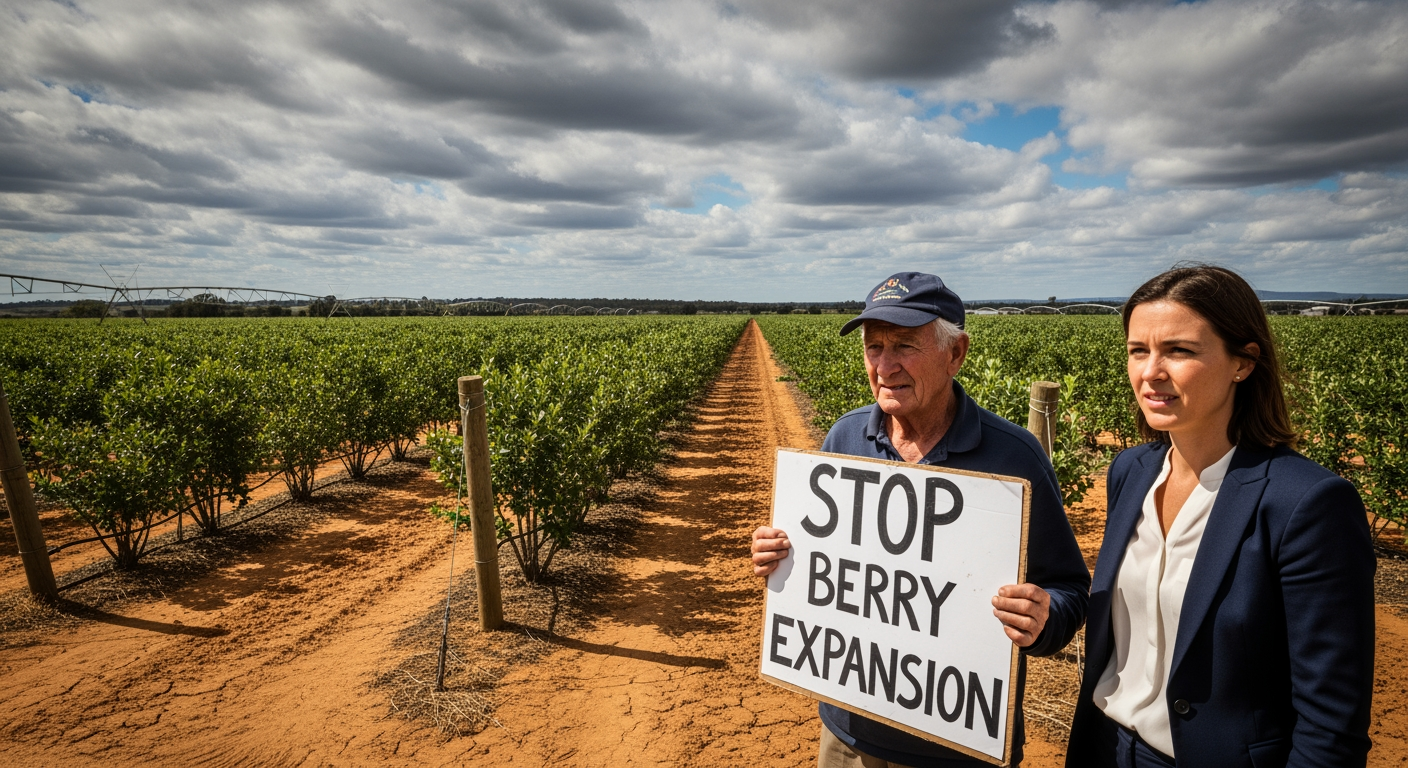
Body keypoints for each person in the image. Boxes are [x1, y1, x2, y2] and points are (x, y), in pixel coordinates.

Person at [751, 272, 1090, 768]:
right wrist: (782, 557)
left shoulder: (1015, 458)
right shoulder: (845, 438)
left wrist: (1043, 618)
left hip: (957, 749)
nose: (885, 366)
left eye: (905, 345)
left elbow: (1069, 591)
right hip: (849, 739)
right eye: (874, 348)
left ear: (956, 354)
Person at [1064, 265, 1375, 767]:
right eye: (1138, 350)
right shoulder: (1131, 470)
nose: (1150, 372)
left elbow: (1331, 724)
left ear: (1243, 363)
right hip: (1105, 748)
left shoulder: (1308, 503)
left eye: (1179, 351)